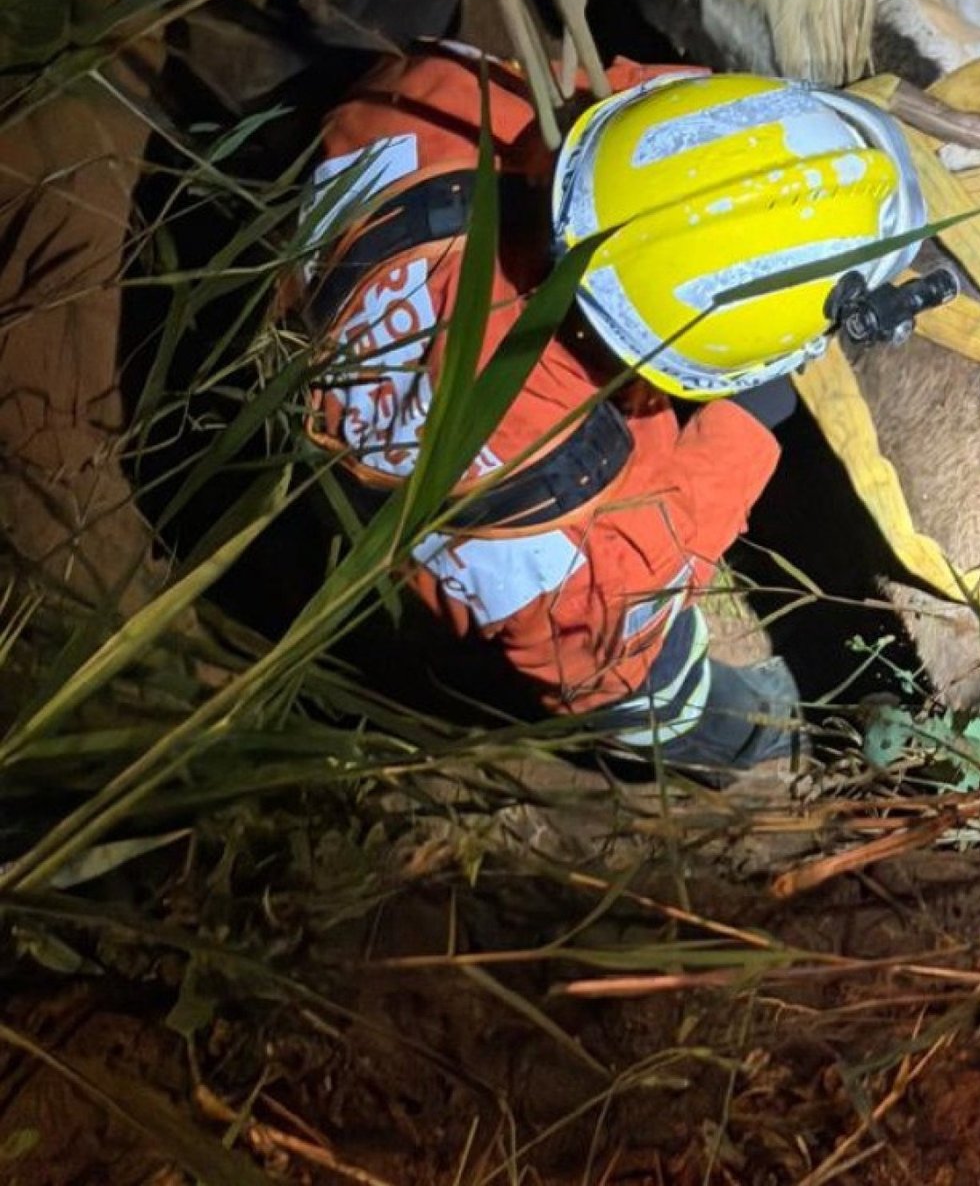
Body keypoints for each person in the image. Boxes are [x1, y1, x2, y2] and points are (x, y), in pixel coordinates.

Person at [293, 40, 927, 781]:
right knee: (649, 695)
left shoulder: (438, 98)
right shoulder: (578, 530)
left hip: (324, 360)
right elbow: (602, 654)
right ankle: (746, 738)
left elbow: (646, 112)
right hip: (416, 536)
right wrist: (752, 414)